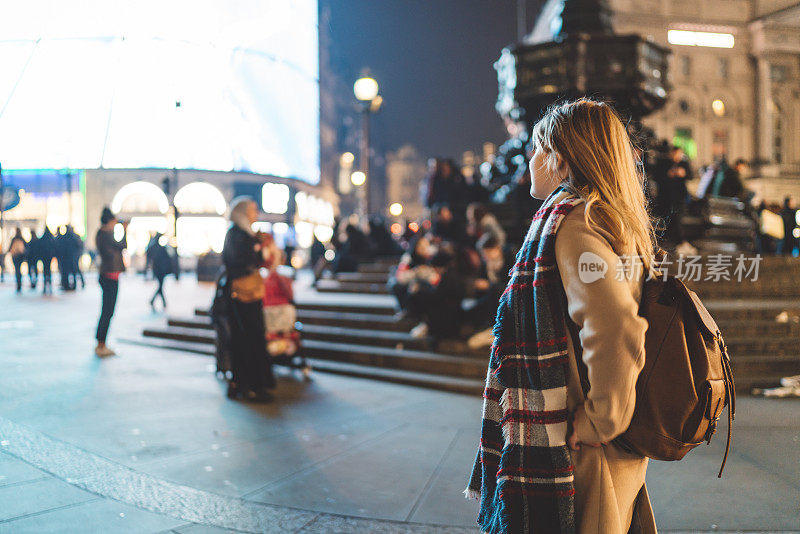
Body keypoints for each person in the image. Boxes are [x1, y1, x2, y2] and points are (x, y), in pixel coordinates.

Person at [466, 99, 656, 533]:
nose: (529, 159)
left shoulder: (574, 224)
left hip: (577, 444)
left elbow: (616, 326)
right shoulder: (605, 216)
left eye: (535, 149)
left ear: (559, 158)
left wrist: (600, 419)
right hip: (595, 443)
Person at [221, 197, 275, 401]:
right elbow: (238, 262)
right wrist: (256, 250)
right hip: (242, 294)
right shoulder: (237, 234)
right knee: (247, 337)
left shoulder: (248, 235)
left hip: (249, 292)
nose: (256, 213)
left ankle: (248, 383)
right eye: (253, 210)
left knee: (250, 336)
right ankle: (248, 384)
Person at [95, 208, 127, 357]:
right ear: (109, 221)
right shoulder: (105, 234)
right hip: (109, 276)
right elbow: (121, 246)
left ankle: (101, 342)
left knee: (107, 311)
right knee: (108, 311)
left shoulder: (104, 234)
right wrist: (125, 230)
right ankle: (101, 344)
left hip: (110, 275)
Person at [145, 233, 174, 310]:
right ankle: (156, 300)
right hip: (161, 269)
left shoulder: (153, 247)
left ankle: (156, 301)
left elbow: (149, 258)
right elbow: (168, 258)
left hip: (156, 269)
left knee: (160, 285)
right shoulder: (161, 248)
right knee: (160, 285)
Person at [37, 227, 57, 295]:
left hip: (44, 257)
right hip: (49, 256)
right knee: (48, 270)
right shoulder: (51, 238)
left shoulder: (42, 238)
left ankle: (45, 285)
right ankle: (49, 284)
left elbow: (39, 247)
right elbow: (54, 246)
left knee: (45, 270)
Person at [9, 228, 27, 293]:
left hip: (15, 256)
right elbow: (26, 248)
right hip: (20, 257)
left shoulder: (14, 239)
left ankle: (18, 283)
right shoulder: (22, 239)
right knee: (18, 269)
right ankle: (19, 283)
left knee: (17, 270)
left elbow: (10, 248)